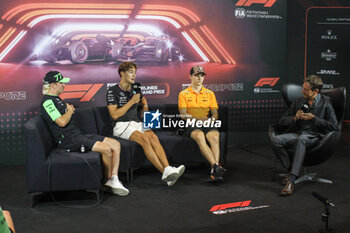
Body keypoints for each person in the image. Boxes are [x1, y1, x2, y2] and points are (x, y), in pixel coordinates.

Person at [41, 71, 129, 196]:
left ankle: (113, 179)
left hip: (77, 135)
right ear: (53, 85)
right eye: (61, 83)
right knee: (106, 149)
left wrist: (67, 109)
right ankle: (106, 181)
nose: (64, 86)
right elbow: (61, 122)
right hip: (68, 141)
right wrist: (70, 111)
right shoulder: (47, 102)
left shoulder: (57, 99)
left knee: (115, 144)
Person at [106, 61, 185, 186]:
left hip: (136, 123)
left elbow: (144, 102)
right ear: (122, 73)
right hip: (121, 125)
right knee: (144, 139)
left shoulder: (136, 89)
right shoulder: (112, 90)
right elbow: (114, 115)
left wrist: (145, 110)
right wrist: (132, 102)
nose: (134, 75)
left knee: (153, 136)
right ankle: (165, 172)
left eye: (135, 73)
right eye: (131, 72)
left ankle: (168, 169)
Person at [270, 75, 338, 196]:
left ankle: (291, 181)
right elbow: (282, 121)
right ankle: (291, 169)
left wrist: (314, 119)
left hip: (314, 136)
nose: (302, 91)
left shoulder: (326, 102)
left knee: (302, 139)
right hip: (297, 133)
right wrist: (294, 118)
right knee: (275, 140)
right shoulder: (299, 101)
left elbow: (334, 126)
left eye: (306, 90)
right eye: (303, 88)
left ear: (315, 91)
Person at [178, 65, 227, 182]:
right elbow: (183, 114)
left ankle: (214, 169)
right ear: (190, 77)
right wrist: (197, 119)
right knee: (200, 136)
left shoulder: (210, 93)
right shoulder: (183, 94)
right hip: (191, 122)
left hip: (207, 122)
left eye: (201, 76)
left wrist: (211, 120)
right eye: (196, 75)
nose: (199, 78)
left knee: (215, 137)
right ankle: (216, 167)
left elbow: (215, 114)